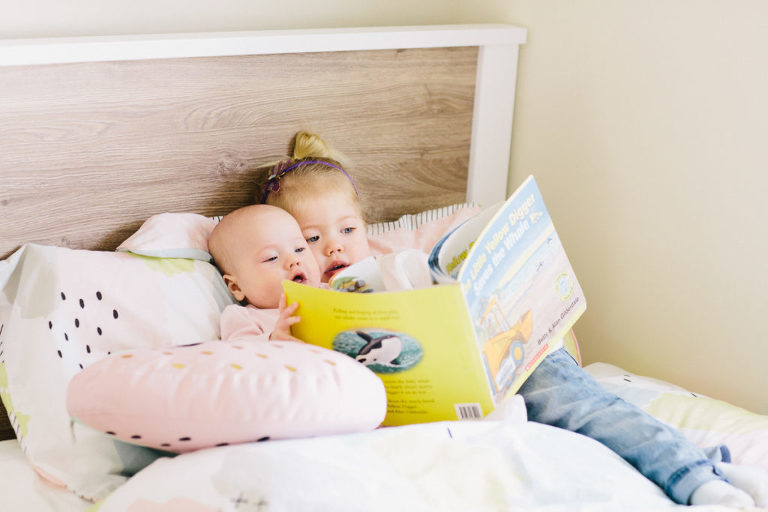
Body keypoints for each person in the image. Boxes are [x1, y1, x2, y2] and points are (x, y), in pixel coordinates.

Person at [256, 130, 768, 507]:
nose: (334, 247)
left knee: (583, 404)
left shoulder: (394, 261)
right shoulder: (284, 306)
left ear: (366, 227)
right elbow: (271, 384)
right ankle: (704, 471)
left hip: (497, 362)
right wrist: (284, 338)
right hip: (427, 408)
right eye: (311, 239)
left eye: (346, 228)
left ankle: (698, 478)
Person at [208, 203, 322, 342]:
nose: (294, 260)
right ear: (236, 287)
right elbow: (239, 353)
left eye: (299, 249)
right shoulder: (244, 317)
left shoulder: (334, 290)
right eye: (272, 258)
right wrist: (273, 340)